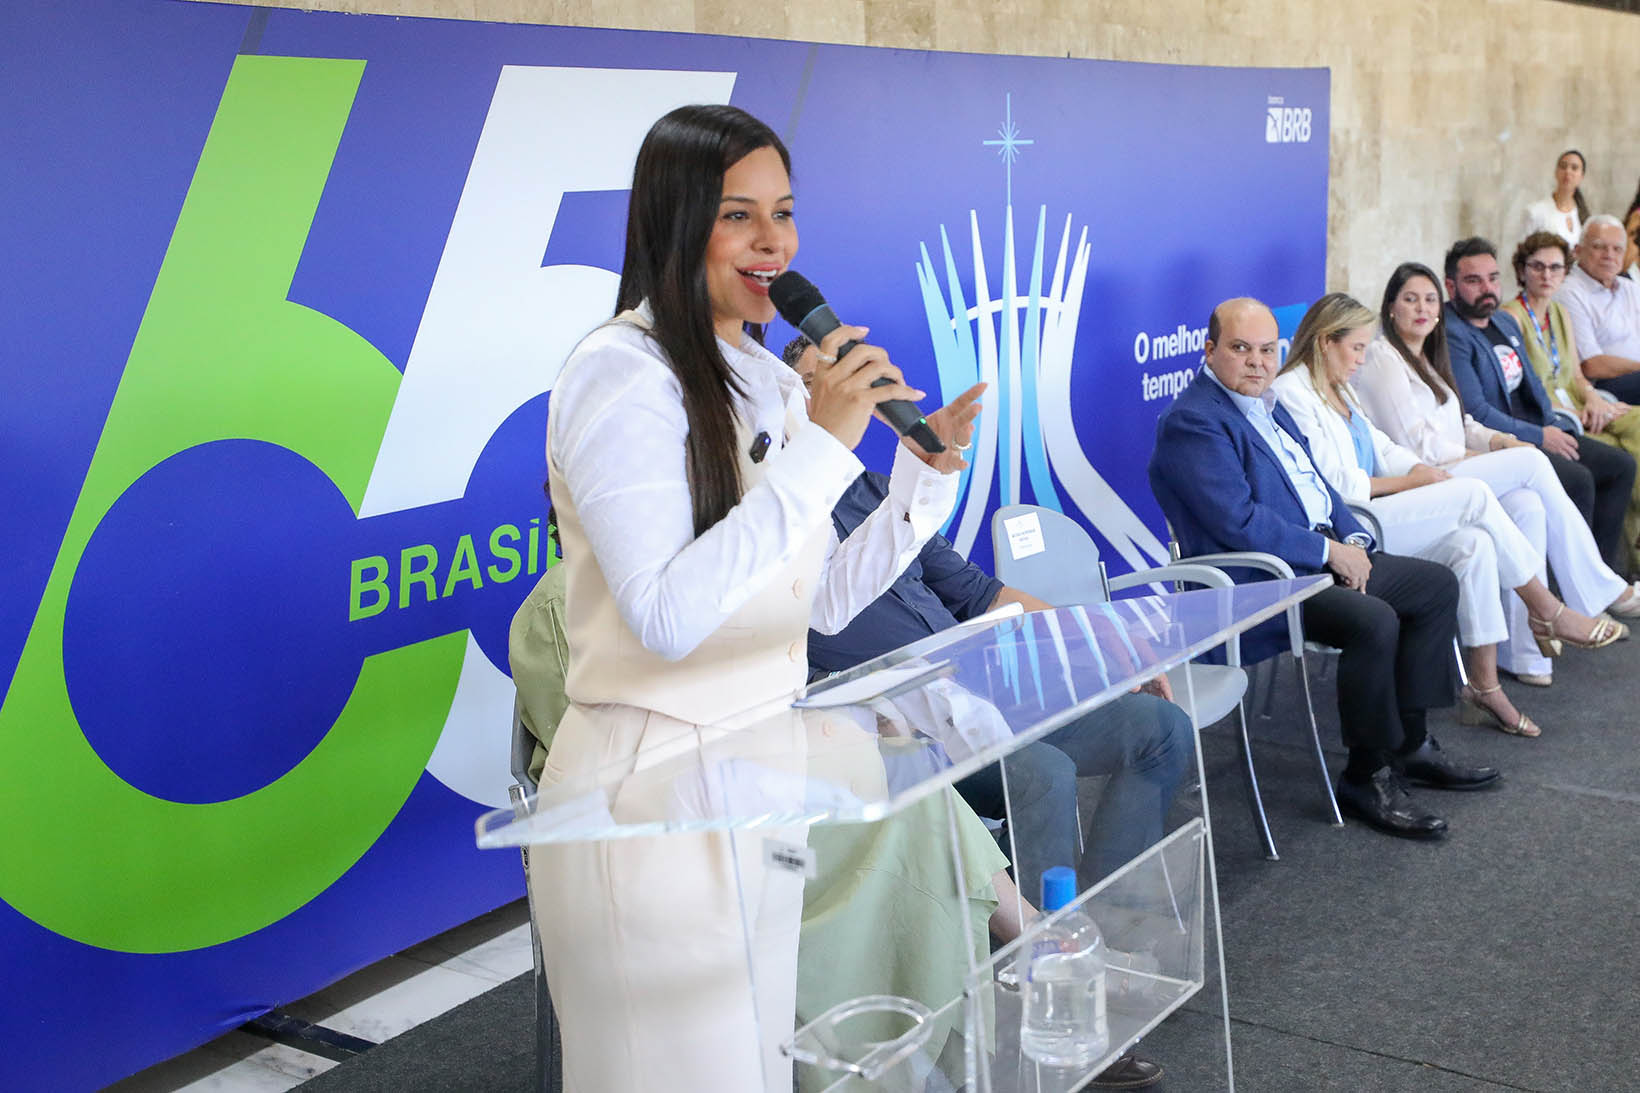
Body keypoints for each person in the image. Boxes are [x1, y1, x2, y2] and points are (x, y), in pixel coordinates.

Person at [528, 104, 988, 1093]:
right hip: (649, 795)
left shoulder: (765, 378)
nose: (772, 241)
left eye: (783, 212)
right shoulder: (622, 375)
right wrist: (821, 446)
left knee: (756, 1073)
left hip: (761, 778)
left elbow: (814, 604)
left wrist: (920, 478)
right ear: (675, 221)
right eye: (738, 215)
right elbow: (665, 616)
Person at [1149, 297, 1499, 842]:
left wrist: (1351, 539)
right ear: (1210, 350)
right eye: (1241, 349)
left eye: (1267, 350)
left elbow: (1319, 486)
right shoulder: (1194, 422)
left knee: (1433, 586)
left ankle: (1411, 745)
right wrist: (1328, 553)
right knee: (1372, 619)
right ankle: (1366, 777)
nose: (1257, 362)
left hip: (1315, 560)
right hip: (1257, 583)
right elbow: (1238, 521)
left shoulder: (1267, 405)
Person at [1274, 294, 1623, 738]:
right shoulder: (1292, 392)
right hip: (1353, 526)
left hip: (1380, 508)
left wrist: (1421, 471)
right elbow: (1334, 485)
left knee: (1475, 543)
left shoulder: (1339, 385)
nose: (1362, 358)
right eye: (1357, 347)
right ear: (1325, 341)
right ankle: (1545, 607)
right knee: (1475, 493)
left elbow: (1383, 447)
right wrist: (1414, 483)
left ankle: (1483, 685)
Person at [1354, 262, 1640, 692]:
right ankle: (1596, 591)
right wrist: (1486, 453)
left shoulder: (1427, 356)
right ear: (1390, 307)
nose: (1422, 308)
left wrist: (1500, 440)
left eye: (1430, 300)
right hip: (1422, 482)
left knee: (1529, 504)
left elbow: (1462, 422)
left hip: (1451, 467)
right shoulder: (1383, 358)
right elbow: (1418, 445)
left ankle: (1524, 654)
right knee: (1532, 463)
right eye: (1410, 299)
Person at [1441, 236, 1637, 569]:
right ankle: (1568, 583)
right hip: (1502, 440)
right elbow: (1477, 411)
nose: (1487, 288)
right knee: (1578, 478)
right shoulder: (1454, 333)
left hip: (1538, 427)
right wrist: (1540, 436)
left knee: (1620, 465)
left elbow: (1533, 385)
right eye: (1474, 281)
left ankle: (1606, 573)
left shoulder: (1502, 322)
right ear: (1451, 286)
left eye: (1492, 278)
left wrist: (1554, 424)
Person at [1502, 230, 1640, 572]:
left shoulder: (1560, 312)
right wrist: (1576, 411)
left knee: (1636, 423)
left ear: (1565, 271)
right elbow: (1521, 393)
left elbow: (1577, 375)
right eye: (1538, 267)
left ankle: (1619, 565)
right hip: (1551, 415)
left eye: (1555, 268)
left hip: (1582, 405)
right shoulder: (1511, 317)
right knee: (1619, 456)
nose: (1546, 275)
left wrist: (1593, 400)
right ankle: (1614, 567)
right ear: (1522, 270)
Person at [1557, 215, 1640, 405]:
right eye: (1599, 246)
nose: (1609, 255)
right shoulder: (1569, 293)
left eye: (1617, 249)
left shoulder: (1631, 289)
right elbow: (1591, 364)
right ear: (1577, 251)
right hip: (1601, 386)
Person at [1518, 149, 1588, 247]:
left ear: (1582, 176)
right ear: (1556, 172)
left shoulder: (1584, 216)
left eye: (1574, 168)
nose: (1568, 171)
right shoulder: (1535, 212)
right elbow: (1522, 251)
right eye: (1563, 166)